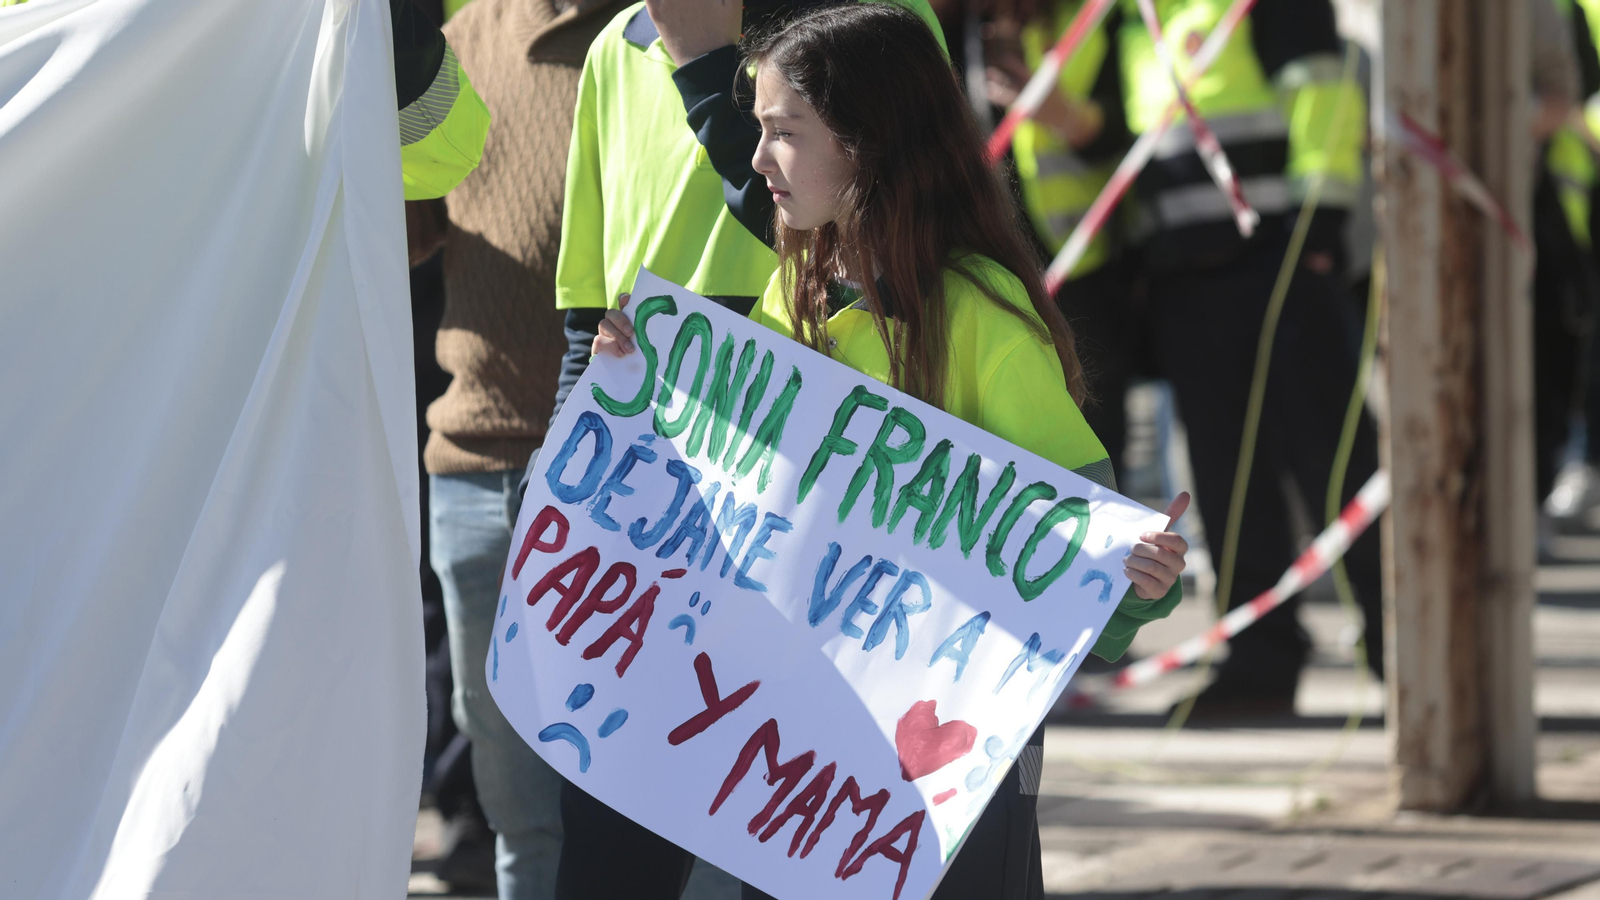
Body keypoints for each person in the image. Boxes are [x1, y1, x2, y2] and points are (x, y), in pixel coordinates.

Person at [591, 6, 1189, 897]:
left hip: (946, 777)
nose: (756, 163)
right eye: (758, 132)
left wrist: (1135, 579)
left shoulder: (986, 321)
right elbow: (736, 482)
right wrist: (644, 386)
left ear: (867, 146)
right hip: (797, 755)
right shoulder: (790, 297)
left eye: (784, 134)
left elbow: (1079, 552)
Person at [535, 0, 944, 896]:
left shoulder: (877, 21)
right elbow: (586, 308)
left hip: (807, 487)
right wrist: (560, 486)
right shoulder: (618, 45)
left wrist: (705, 67)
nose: (766, 152)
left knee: (785, 826)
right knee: (611, 832)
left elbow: (873, 239)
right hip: (654, 484)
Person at [1106, 0, 1379, 717]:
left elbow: (1324, 88)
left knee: (1338, 464)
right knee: (1228, 480)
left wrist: (1321, 223)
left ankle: (1408, 648)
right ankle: (1259, 664)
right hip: (1186, 280)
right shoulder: (1130, 16)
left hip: (1281, 260)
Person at [985, 0, 1138, 478]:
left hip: (1090, 269)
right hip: (1004, 268)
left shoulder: (1107, 19)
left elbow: (1131, 124)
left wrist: (1068, 118)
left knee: (1092, 433)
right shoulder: (989, 26)